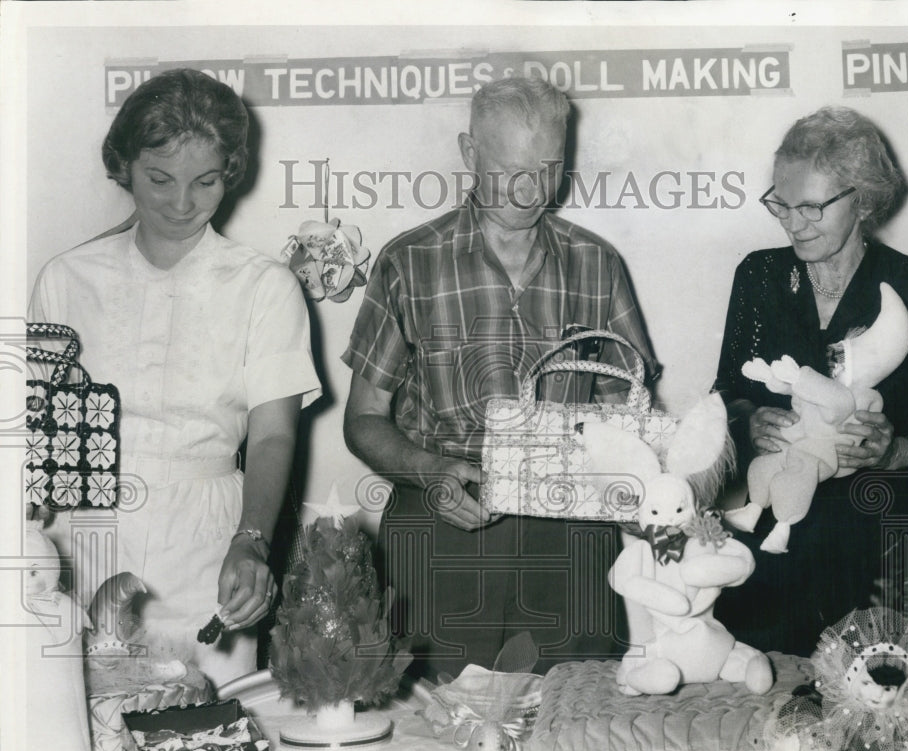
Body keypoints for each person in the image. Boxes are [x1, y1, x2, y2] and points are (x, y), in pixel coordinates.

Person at [342, 76, 655, 679]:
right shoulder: (409, 261)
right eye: (509, 170)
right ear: (468, 154)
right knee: (431, 739)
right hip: (441, 530)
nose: (531, 190)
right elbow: (362, 421)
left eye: (548, 168)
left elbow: (630, 413)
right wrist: (431, 471)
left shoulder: (597, 262)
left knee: (579, 727)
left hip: (572, 538)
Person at [29, 68, 321, 687]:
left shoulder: (265, 286)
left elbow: (272, 436)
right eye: (160, 179)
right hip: (85, 536)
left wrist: (252, 541)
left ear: (231, 173)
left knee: (206, 737)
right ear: (124, 165)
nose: (182, 203)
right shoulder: (65, 279)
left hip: (208, 547)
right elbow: (37, 429)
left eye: (205, 181)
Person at [712, 106, 908, 657]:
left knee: (894, 714)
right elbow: (724, 398)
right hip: (777, 542)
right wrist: (748, 420)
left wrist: (900, 450)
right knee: (763, 714)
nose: (791, 222)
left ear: (865, 199)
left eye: (811, 206)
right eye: (780, 203)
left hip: (892, 546)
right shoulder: (758, 277)